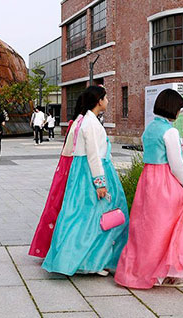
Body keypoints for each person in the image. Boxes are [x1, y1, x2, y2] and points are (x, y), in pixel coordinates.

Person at [114, 89, 183, 289]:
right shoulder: (170, 131)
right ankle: (170, 273)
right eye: (179, 108)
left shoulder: (149, 129)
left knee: (148, 228)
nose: (179, 112)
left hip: (148, 181)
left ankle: (145, 271)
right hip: (166, 182)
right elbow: (177, 165)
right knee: (176, 225)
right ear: (172, 109)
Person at [41, 86, 129, 276]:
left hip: (85, 173)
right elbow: (93, 156)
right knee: (98, 218)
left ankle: (91, 260)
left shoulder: (86, 120)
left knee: (86, 218)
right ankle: (94, 261)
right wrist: (100, 183)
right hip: (93, 174)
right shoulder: (90, 123)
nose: (107, 101)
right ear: (99, 101)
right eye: (105, 98)